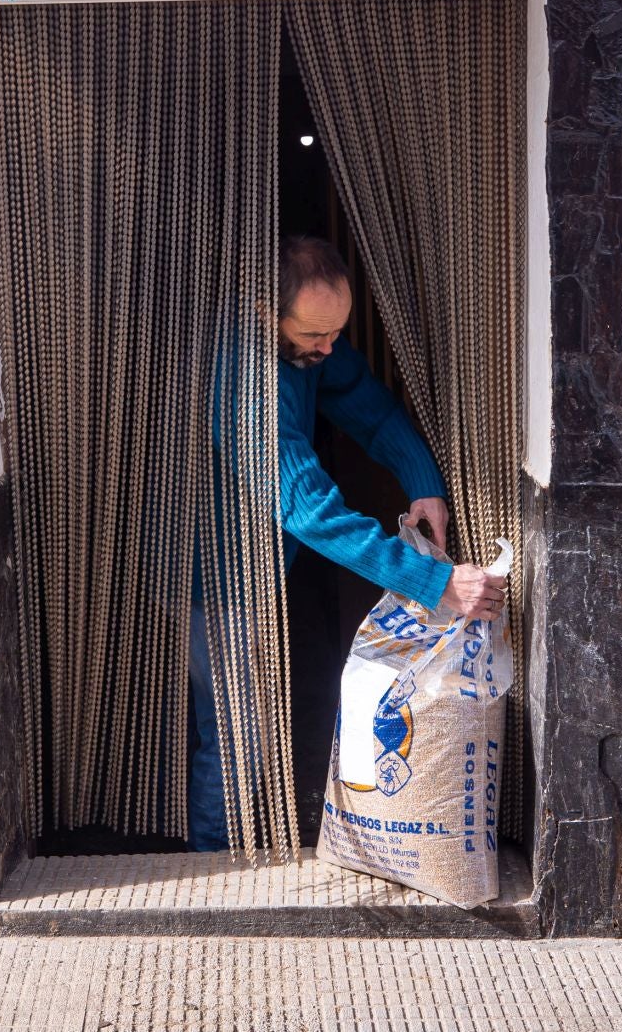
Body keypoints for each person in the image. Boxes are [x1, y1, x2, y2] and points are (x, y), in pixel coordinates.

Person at [187, 235, 508, 851]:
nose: (329, 348)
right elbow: (308, 509)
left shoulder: (310, 346)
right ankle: (213, 871)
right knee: (236, 737)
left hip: (265, 566)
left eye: (336, 332)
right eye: (313, 335)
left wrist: (422, 482)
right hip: (215, 575)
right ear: (264, 312)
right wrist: (438, 583)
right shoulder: (244, 379)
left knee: (247, 729)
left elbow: (367, 405)